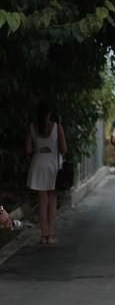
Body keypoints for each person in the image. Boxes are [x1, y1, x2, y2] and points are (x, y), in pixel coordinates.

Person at [25, 101, 67, 244]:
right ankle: (52, 235)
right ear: (49, 113)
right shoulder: (57, 127)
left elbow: (28, 150)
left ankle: (43, 235)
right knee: (52, 201)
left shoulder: (32, 127)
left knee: (42, 202)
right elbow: (64, 149)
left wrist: (40, 149)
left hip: (38, 165)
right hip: (53, 165)